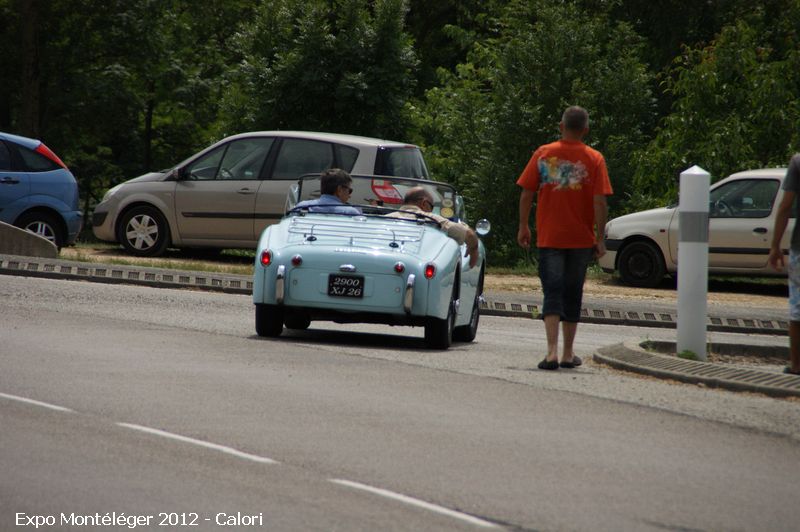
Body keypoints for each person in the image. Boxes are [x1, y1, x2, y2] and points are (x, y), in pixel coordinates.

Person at [516, 106, 613, 370]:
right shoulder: (594, 159)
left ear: (561, 126)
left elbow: (526, 192)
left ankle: (551, 354)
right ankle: (569, 353)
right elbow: (600, 201)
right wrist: (599, 237)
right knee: (573, 293)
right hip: (581, 239)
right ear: (586, 130)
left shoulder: (544, 153)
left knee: (552, 292)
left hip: (550, 237)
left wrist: (524, 226)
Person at [387, 186, 480, 268]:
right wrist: (474, 249)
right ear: (424, 203)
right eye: (431, 207)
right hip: (417, 265)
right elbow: (469, 235)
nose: (431, 211)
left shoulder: (385, 218)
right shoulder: (432, 219)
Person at [768, 154, 800, 376]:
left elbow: (785, 206)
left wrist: (775, 246)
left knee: (797, 310)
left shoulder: (798, 163)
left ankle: (797, 365)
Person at [295, 168, 361, 215]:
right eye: (349, 190)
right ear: (339, 189)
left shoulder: (303, 206)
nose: (349, 196)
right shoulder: (350, 212)